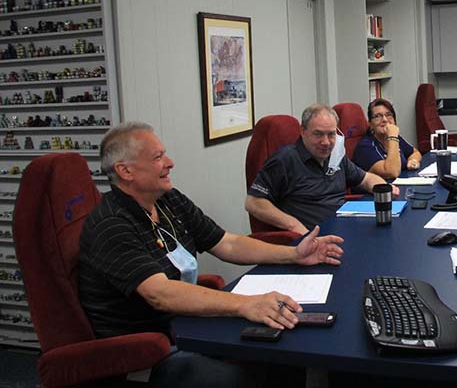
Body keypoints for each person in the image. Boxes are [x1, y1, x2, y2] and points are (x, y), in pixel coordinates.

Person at [79, 122, 345, 387]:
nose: (170, 163)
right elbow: (159, 293)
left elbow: (226, 243)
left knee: (284, 347)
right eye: (158, 157)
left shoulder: (168, 200)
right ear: (125, 171)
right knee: (242, 376)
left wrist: (294, 254)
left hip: (189, 326)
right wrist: (245, 303)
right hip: (150, 352)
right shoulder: (111, 224)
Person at [245, 103, 398, 234]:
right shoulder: (285, 160)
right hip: (313, 240)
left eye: (331, 134)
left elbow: (366, 178)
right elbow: (253, 202)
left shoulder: (335, 156)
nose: (326, 142)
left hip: (345, 231)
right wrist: (294, 225)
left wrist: (383, 187)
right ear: (302, 131)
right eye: (318, 134)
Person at [353, 98, 423, 180]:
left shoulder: (396, 138)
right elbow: (392, 172)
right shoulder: (365, 146)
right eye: (377, 116)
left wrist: (413, 161)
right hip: (379, 191)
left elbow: (415, 152)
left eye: (389, 115)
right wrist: (392, 137)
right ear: (370, 124)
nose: (385, 120)